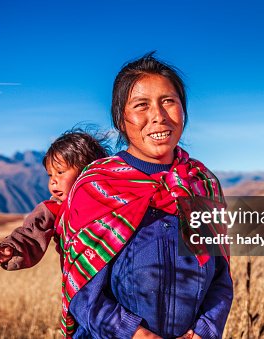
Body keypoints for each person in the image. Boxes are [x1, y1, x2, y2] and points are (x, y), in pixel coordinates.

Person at [58, 53, 233, 339]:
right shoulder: (97, 185)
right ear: (120, 119)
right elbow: (82, 289)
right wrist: (134, 334)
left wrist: (204, 331)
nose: (158, 116)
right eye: (141, 105)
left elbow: (220, 280)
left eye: (169, 101)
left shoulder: (201, 183)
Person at [0, 130, 108, 273]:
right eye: (50, 174)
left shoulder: (113, 198)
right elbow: (31, 232)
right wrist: (12, 249)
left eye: (60, 172)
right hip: (81, 279)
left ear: (88, 170)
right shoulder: (54, 208)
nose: (53, 181)